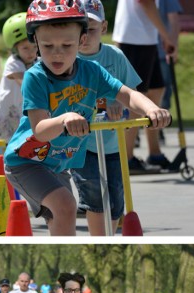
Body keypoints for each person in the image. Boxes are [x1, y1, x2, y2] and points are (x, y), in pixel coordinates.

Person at [3, 0, 171, 236]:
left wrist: (151, 109)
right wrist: (64, 119)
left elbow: (127, 94)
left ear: (81, 41)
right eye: (48, 45)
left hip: (59, 163)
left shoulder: (92, 72)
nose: (57, 53)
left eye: (67, 45)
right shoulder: (35, 77)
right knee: (66, 206)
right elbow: (39, 130)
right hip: (26, 161)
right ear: (36, 43)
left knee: (60, 218)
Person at [72, 0, 142, 235]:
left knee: (115, 199)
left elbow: (132, 95)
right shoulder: (68, 61)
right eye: (78, 29)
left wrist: (121, 111)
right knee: (93, 193)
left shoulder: (116, 57)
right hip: (82, 144)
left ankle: (109, 236)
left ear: (103, 27)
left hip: (113, 145)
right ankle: (97, 238)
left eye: (90, 29)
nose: (84, 36)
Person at [112, 0, 178, 172]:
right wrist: (166, 36)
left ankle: (154, 153)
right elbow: (146, 2)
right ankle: (126, 158)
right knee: (136, 97)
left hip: (145, 38)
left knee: (156, 89)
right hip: (135, 38)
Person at [0, 12, 38, 144]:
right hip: (4, 117)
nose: (31, 52)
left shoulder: (37, 62)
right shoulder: (13, 63)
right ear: (15, 49)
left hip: (20, 116)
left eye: (34, 47)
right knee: (3, 155)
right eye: (25, 48)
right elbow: (25, 83)